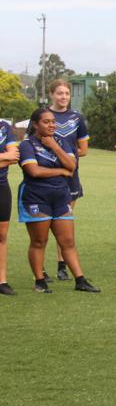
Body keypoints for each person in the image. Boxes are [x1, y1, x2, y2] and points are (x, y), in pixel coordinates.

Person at [18, 108, 99, 293]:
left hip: (60, 196)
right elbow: (34, 171)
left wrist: (55, 146)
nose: (52, 125)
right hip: (36, 197)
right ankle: (40, 281)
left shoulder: (62, 142)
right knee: (39, 241)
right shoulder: (27, 145)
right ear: (36, 124)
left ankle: (80, 280)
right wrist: (61, 171)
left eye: (53, 121)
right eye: (46, 122)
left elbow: (72, 165)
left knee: (68, 241)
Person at [48, 79, 90, 282]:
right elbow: (30, 144)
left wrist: (65, 157)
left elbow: (83, 150)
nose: (63, 97)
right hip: (46, 175)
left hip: (70, 176)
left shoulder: (77, 118)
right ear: (51, 95)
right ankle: (40, 268)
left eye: (66, 93)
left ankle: (61, 265)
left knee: (63, 221)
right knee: (43, 222)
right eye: (59, 93)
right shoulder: (43, 116)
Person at [0, 119, 19, 295]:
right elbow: (8, 156)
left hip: (1, 187)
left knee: (2, 235)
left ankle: (2, 280)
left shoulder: (4, 126)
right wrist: (4, 157)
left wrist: (6, 158)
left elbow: (14, 156)